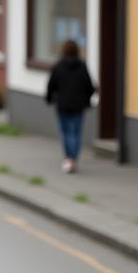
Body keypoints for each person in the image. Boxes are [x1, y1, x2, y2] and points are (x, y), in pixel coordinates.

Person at [45, 38, 95, 173]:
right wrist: (87, 100)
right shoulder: (82, 66)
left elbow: (51, 85)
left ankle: (68, 159)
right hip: (78, 106)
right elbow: (89, 87)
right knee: (76, 133)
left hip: (62, 105)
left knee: (66, 132)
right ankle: (73, 158)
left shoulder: (58, 66)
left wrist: (49, 99)